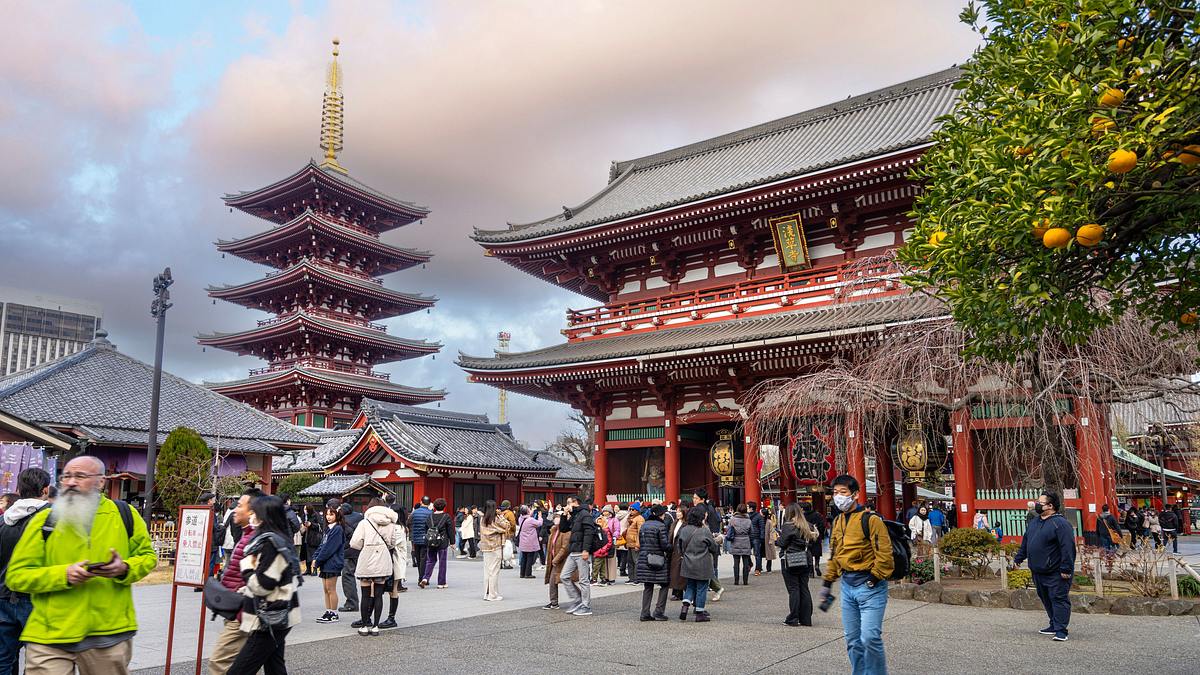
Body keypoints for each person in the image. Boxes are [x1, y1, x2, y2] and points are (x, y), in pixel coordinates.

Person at [6, 456, 155, 675]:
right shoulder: (44, 521)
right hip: (49, 634)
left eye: (81, 476)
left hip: (108, 633)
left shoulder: (124, 514)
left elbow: (148, 557)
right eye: (66, 476)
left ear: (101, 482)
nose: (71, 482)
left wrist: (124, 568)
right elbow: (17, 576)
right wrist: (64, 574)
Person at [822, 474, 893, 675]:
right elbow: (835, 554)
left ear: (855, 494)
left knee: (870, 637)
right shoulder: (837, 522)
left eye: (843, 493)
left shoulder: (871, 520)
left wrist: (874, 578)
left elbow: (884, 553)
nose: (838, 497)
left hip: (871, 587)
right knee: (852, 639)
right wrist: (828, 582)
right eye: (835, 493)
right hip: (848, 586)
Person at [226, 494, 302, 675]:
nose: (252, 516)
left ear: (264, 517)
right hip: (278, 614)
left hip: (269, 618)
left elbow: (263, 585)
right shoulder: (277, 539)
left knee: (239, 671)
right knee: (274, 666)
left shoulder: (271, 544)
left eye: (255, 513)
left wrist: (245, 567)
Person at [0, 467, 51, 675]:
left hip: (3, 596)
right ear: (46, 489)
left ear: (19, 490)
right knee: (40, 661)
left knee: (3, 659)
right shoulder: (52, 519)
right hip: (36, 598)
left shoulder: (3, 520)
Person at [207, 488, 262, 675]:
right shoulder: (247, 535)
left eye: (240, 506)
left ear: (253, 512)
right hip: (238, 610)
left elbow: (259, 579)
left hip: (243, 613)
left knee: (219, 662)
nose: (235, 510)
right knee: (240, 665)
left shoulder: (255, 539)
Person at [1013, 490, 1076, 642]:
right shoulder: (1035, 522)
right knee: (1045, 597)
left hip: (1055, 571)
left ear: (1050, 506)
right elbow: (1026, 542)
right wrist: (1019, 558)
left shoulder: (1061, 524)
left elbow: (1067, 548)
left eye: (1040, 503)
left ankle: (1061, 630)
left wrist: (1066, 569)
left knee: (1058, 598)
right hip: (1037, 570)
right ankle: (1053, 623)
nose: (1037, 505)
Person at [349, 498, 404, 636]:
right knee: (379, 594)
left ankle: (364, 625)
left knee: (366, 595)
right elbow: (392, 544)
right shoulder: (391, 524)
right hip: (383, 560)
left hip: (366, 559)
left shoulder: (364, 522)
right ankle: (375, 626)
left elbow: (354, 543)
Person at [778, 502, 819, 626]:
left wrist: (776, 539)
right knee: (804, 588)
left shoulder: (788, 526)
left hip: (790, 559)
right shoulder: (809, 526)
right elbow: (812, 542)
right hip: (805, 558)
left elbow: (782, 543)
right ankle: (806, 618)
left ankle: (793, 617)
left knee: (793, 589)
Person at [677, 507, 718, 622]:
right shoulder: (704, 530)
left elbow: (679, 547)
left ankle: (685, 605)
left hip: (688, 562)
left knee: (690, 585)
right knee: (701, 588)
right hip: (702, 563)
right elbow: (713, 547)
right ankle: (699, 612)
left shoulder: (683, 530)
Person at [559, 495, 597, 616]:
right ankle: (577, 599)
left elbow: (589, 532)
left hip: (581, 551)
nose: (567, 505)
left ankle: (586, 606)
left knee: (583, 580)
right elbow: (564, 528)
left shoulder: (584, 514)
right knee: (564, 576)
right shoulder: (575, 515)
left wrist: (586, 549)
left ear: (575, 502)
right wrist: (564, 515)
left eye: (568, 503)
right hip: (573, 550)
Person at [636, 504, 672, 621]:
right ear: (659, 515)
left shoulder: (644, 525)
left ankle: (644, 612)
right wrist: (672, 547)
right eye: (663, 514)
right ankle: (659, 611)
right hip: (657, 560)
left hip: (644, 559)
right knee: (665, 584)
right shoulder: (661, 526)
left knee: (648, 586)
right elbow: (664, 545)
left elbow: (641, 542)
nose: (664, 516)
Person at [312, 507, 344, 623]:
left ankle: (334, 613)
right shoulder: (328, 529)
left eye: (331, 514)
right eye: (327, 514)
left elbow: (329, 548)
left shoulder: (337, 529)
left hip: (333, 562)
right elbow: (321, 546)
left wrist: (318, 560)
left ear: (337, 515)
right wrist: (315, 558)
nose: (328, 517)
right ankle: (328, 610)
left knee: (331, 589)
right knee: (325, 589)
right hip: (325, 562)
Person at [691, 489, 724, 601]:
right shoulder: (710, 509)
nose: (694, 500)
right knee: (710, 568)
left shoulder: (700, 510)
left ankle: (702, 595)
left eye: (695, 498)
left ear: (702, 499)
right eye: (693, 498)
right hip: (709, 541)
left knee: (706, 570)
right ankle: (716, 589)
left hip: (703, 542)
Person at [479, 500, 513, 601]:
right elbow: (507, 525)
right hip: (496, 546)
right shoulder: (496, 518)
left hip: (486, 547)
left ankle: (487, 593)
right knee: (494, 571)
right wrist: (501, 515)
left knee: (487, 571)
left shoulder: (483, 519)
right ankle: (493, 595)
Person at [419, 498, 453, 589]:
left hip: (431, 541)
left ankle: (425, 578)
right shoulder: (446, 516)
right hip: (442, 542)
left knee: (430, 561)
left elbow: (426, 529)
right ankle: (441, 583)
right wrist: (452, 542)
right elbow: (450, 530)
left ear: (434, 506)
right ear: (444, 506)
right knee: (442, 562)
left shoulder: (430, 517)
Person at [338, 502, 363, 614]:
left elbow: (345, 538)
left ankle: (351, 603)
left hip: (349, 552)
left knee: (347, 576)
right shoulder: (360, 518)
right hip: (361, 550)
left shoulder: (344, 521)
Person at [542, 511, 571, 610]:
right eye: (555, 517)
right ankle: (554, 602)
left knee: (568, 580)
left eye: (558, 517)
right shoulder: (553, 530)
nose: (556, 519)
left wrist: (556, 559)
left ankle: (578, 598)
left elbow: (565, 547)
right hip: (554, 559)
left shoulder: (566, 531)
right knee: (552, 581)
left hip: (562, 560)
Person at [726, 503, 753, 585]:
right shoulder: (748, 520)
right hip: (745, 541)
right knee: (745, 563)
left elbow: (729, 530)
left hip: (735, 541)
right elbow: (752, 532)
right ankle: (745, 581)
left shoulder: (733, 519)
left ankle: (736, 581)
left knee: (736, 563)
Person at [517, 505, 543, 579]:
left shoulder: (520, 518)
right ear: (527, 512)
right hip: (530, 541)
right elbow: (539, 523)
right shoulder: (530, 520)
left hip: (523, 541)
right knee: (530, 557)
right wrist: (540, 517)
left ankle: (522, 573)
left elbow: (527, 517)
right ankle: (528, 573)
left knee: (524, 557)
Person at [409, 496, 432, 575]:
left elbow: (408, 522)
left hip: (416, 537)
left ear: (421, 502)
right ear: (429, 504)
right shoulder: (430, 513)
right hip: (426, 538)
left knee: (418, 557)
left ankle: (420, 575)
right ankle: (423, 577)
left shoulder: (414, 512)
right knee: (424, 558)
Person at [621, 504, 644, 586]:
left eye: (633, 509)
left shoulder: (640, 519)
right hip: (630, 543)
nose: (631, 511)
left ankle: (637, 578)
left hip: (635, 543)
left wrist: (638, 544)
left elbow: (640, 532)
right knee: (630, 561)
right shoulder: (631, 518)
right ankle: (631, 578)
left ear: (637, 510)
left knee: (636, 561)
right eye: (630, 509)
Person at [802, 502, 825, 575]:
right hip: (816, 536)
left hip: (806, 537)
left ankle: (811, 570)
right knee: (817, 552)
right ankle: (817, 565)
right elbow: (822, 525)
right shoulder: (817, 515)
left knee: (809, 553)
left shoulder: (802, 516)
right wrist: (821, 535)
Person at [300, 504, 323, 575]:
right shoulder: (304, 516)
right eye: (304, 509)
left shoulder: (315, 515)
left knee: (313, 554)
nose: (305, 511)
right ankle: (308, 569)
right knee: (306, 553)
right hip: (305, 536)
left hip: (314, 537)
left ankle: (315, 569)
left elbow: (320, 525)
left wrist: (311, 524)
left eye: (306, 509)